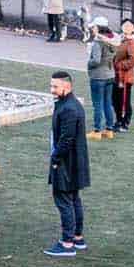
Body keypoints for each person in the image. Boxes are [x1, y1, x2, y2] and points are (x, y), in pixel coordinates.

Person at [45, 70, 90, 256]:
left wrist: (55, 159)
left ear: (67, 87)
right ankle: (77, 238)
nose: (52, 90)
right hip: (74, 163)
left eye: (55, 86)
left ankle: (66, 244)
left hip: (66, 164)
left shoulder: (68, 108)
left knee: (64, 201)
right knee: (73, 200)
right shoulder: (70, 104)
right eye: (51, 86)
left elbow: (66, 139)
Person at [84, 15, 117, 139]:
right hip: (110, 74)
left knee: (97, 104)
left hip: (98, 76)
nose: (93, 29)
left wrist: (89, 62)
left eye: (94, 27)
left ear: (98, 28)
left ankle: (97, 131)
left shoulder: (98, 43)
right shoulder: (112, 41)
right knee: (107, 103)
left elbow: (96, 60)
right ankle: (109, 129)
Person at [112, 20, 134, 131]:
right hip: (116, 76)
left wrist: (120, 65)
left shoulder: (131, 42)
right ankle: (118, 120)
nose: (126, 27)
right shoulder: (119, 39)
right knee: (115, 99)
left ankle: (125, 123)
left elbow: (133, 60)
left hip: (125, 77)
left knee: (124, 100)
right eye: (125, 25)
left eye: (129, 26)